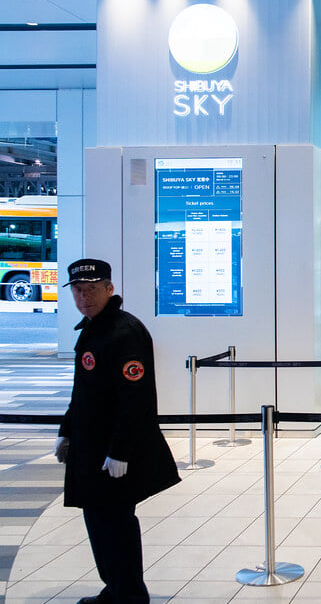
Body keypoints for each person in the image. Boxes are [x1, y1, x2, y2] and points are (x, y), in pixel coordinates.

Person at [54, 258, 181, 604]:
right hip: (91, 449)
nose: (84, 297)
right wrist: (67, 430)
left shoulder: (122, 332)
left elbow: (135, 398)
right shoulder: (93, 329)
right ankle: (116, 589)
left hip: (112, 453)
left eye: (92, 289)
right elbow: (84, 391)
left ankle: (128, 596)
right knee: (99, 525)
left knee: (115, 526)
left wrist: (120, 451)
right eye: (78, 291)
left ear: (109, 289)